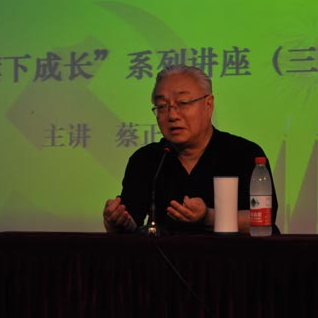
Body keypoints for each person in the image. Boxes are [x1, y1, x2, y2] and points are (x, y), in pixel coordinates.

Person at [103, 64, 278, 234]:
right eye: (162, 106)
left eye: (183, 102)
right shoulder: (147, 159)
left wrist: (208, 217)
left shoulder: (244, 154)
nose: (172, 115)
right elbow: (132, 225)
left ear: (208, 105)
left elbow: (264, 219)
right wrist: (117, 222)